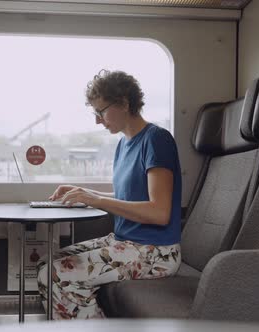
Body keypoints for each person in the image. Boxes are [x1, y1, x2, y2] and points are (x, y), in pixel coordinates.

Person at [36, 69, 182, 319]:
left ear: (124, 103)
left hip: (155, 251)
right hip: (125, 241)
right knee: (46, 262)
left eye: (101, 112)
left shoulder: (157, 140)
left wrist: (96, 200)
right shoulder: (123, 144)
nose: (98, 120)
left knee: (55, 275)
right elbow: (128, 196)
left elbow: (159, 212)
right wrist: (83, 192)